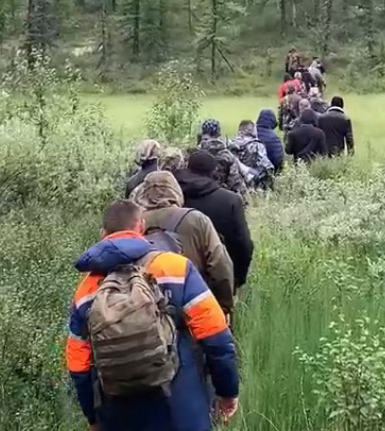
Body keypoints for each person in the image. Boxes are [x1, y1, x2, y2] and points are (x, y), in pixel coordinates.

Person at [67, 200, 240, 431]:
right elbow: (216, 336)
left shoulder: (85, 290)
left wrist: (93, 417)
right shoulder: (175, 267)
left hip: (118, 413)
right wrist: (227, 391)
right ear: (141, 226)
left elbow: (79, 366)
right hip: (181, 407)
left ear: (103, 234)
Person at [133, 171, 235, 315]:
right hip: (192, 308)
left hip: (145, 313)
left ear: (142, 194)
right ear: (176, 192)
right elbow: (220, 266)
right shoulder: (195, 219)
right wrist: (224, 307)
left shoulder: (132, 223)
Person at [176, 151, 254, 289]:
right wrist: (237, 279)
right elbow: (243, 245)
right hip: (217, 277)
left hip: (177, 275)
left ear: (187, 168)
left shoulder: (175, 196)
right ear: (213, 171)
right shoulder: (230, 201)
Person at [198, 119, 247, 196]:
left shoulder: (195, 154)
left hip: (197, 198)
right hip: (221, 198)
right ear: (219, 134)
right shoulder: (228, 156)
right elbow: (236, 184)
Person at [229, 120, 274, 189]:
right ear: (250, 130)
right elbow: (268, 167)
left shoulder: (231, 144)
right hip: (252, 183)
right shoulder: (257, 145)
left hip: (234, 184)